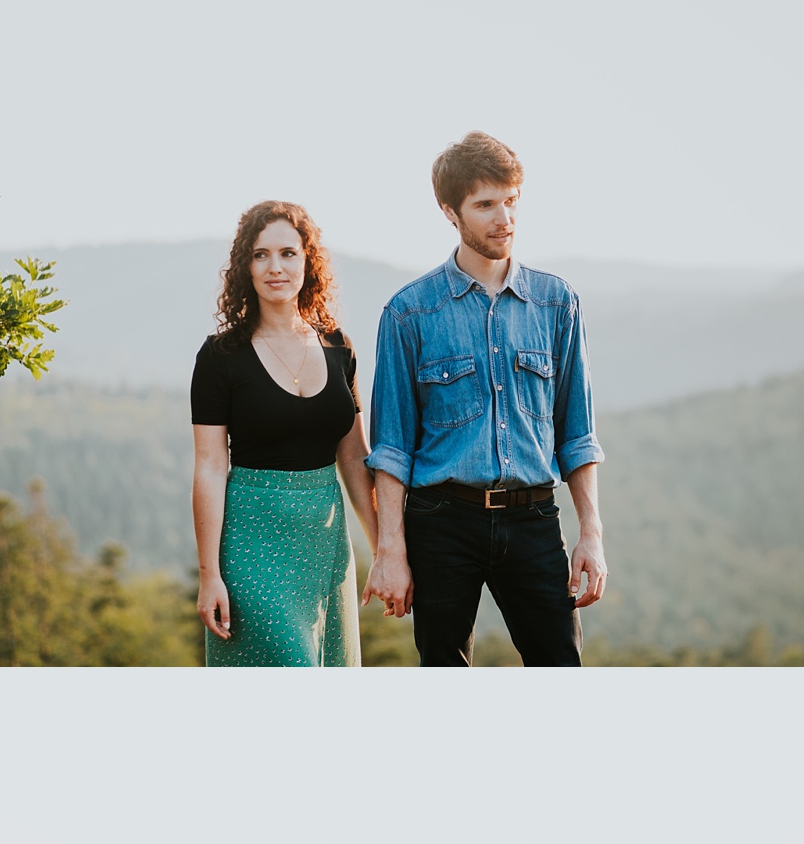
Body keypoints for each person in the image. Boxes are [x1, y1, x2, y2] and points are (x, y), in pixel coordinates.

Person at [363, 131, 605, 666]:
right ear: (450, 211)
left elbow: (577, 433)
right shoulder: (408, 313)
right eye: (486, 204)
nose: (505, 218)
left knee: (560, 665)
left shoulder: (556, 302)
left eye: (512, 201)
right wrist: (390, 551)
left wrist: (591, 533)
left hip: (534, 518)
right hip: (441, 523)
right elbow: (391, 448)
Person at [190, 201, 378, 665]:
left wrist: (384, 550)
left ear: (307, 261)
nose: (275, 267)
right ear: (245, 267)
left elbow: (354, 458)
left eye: (288, 254)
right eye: (260, 255)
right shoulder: (221, 355)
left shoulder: (338, 346)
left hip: (325, 543)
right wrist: (209, 573)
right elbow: (211, 467)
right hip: (251, 542)